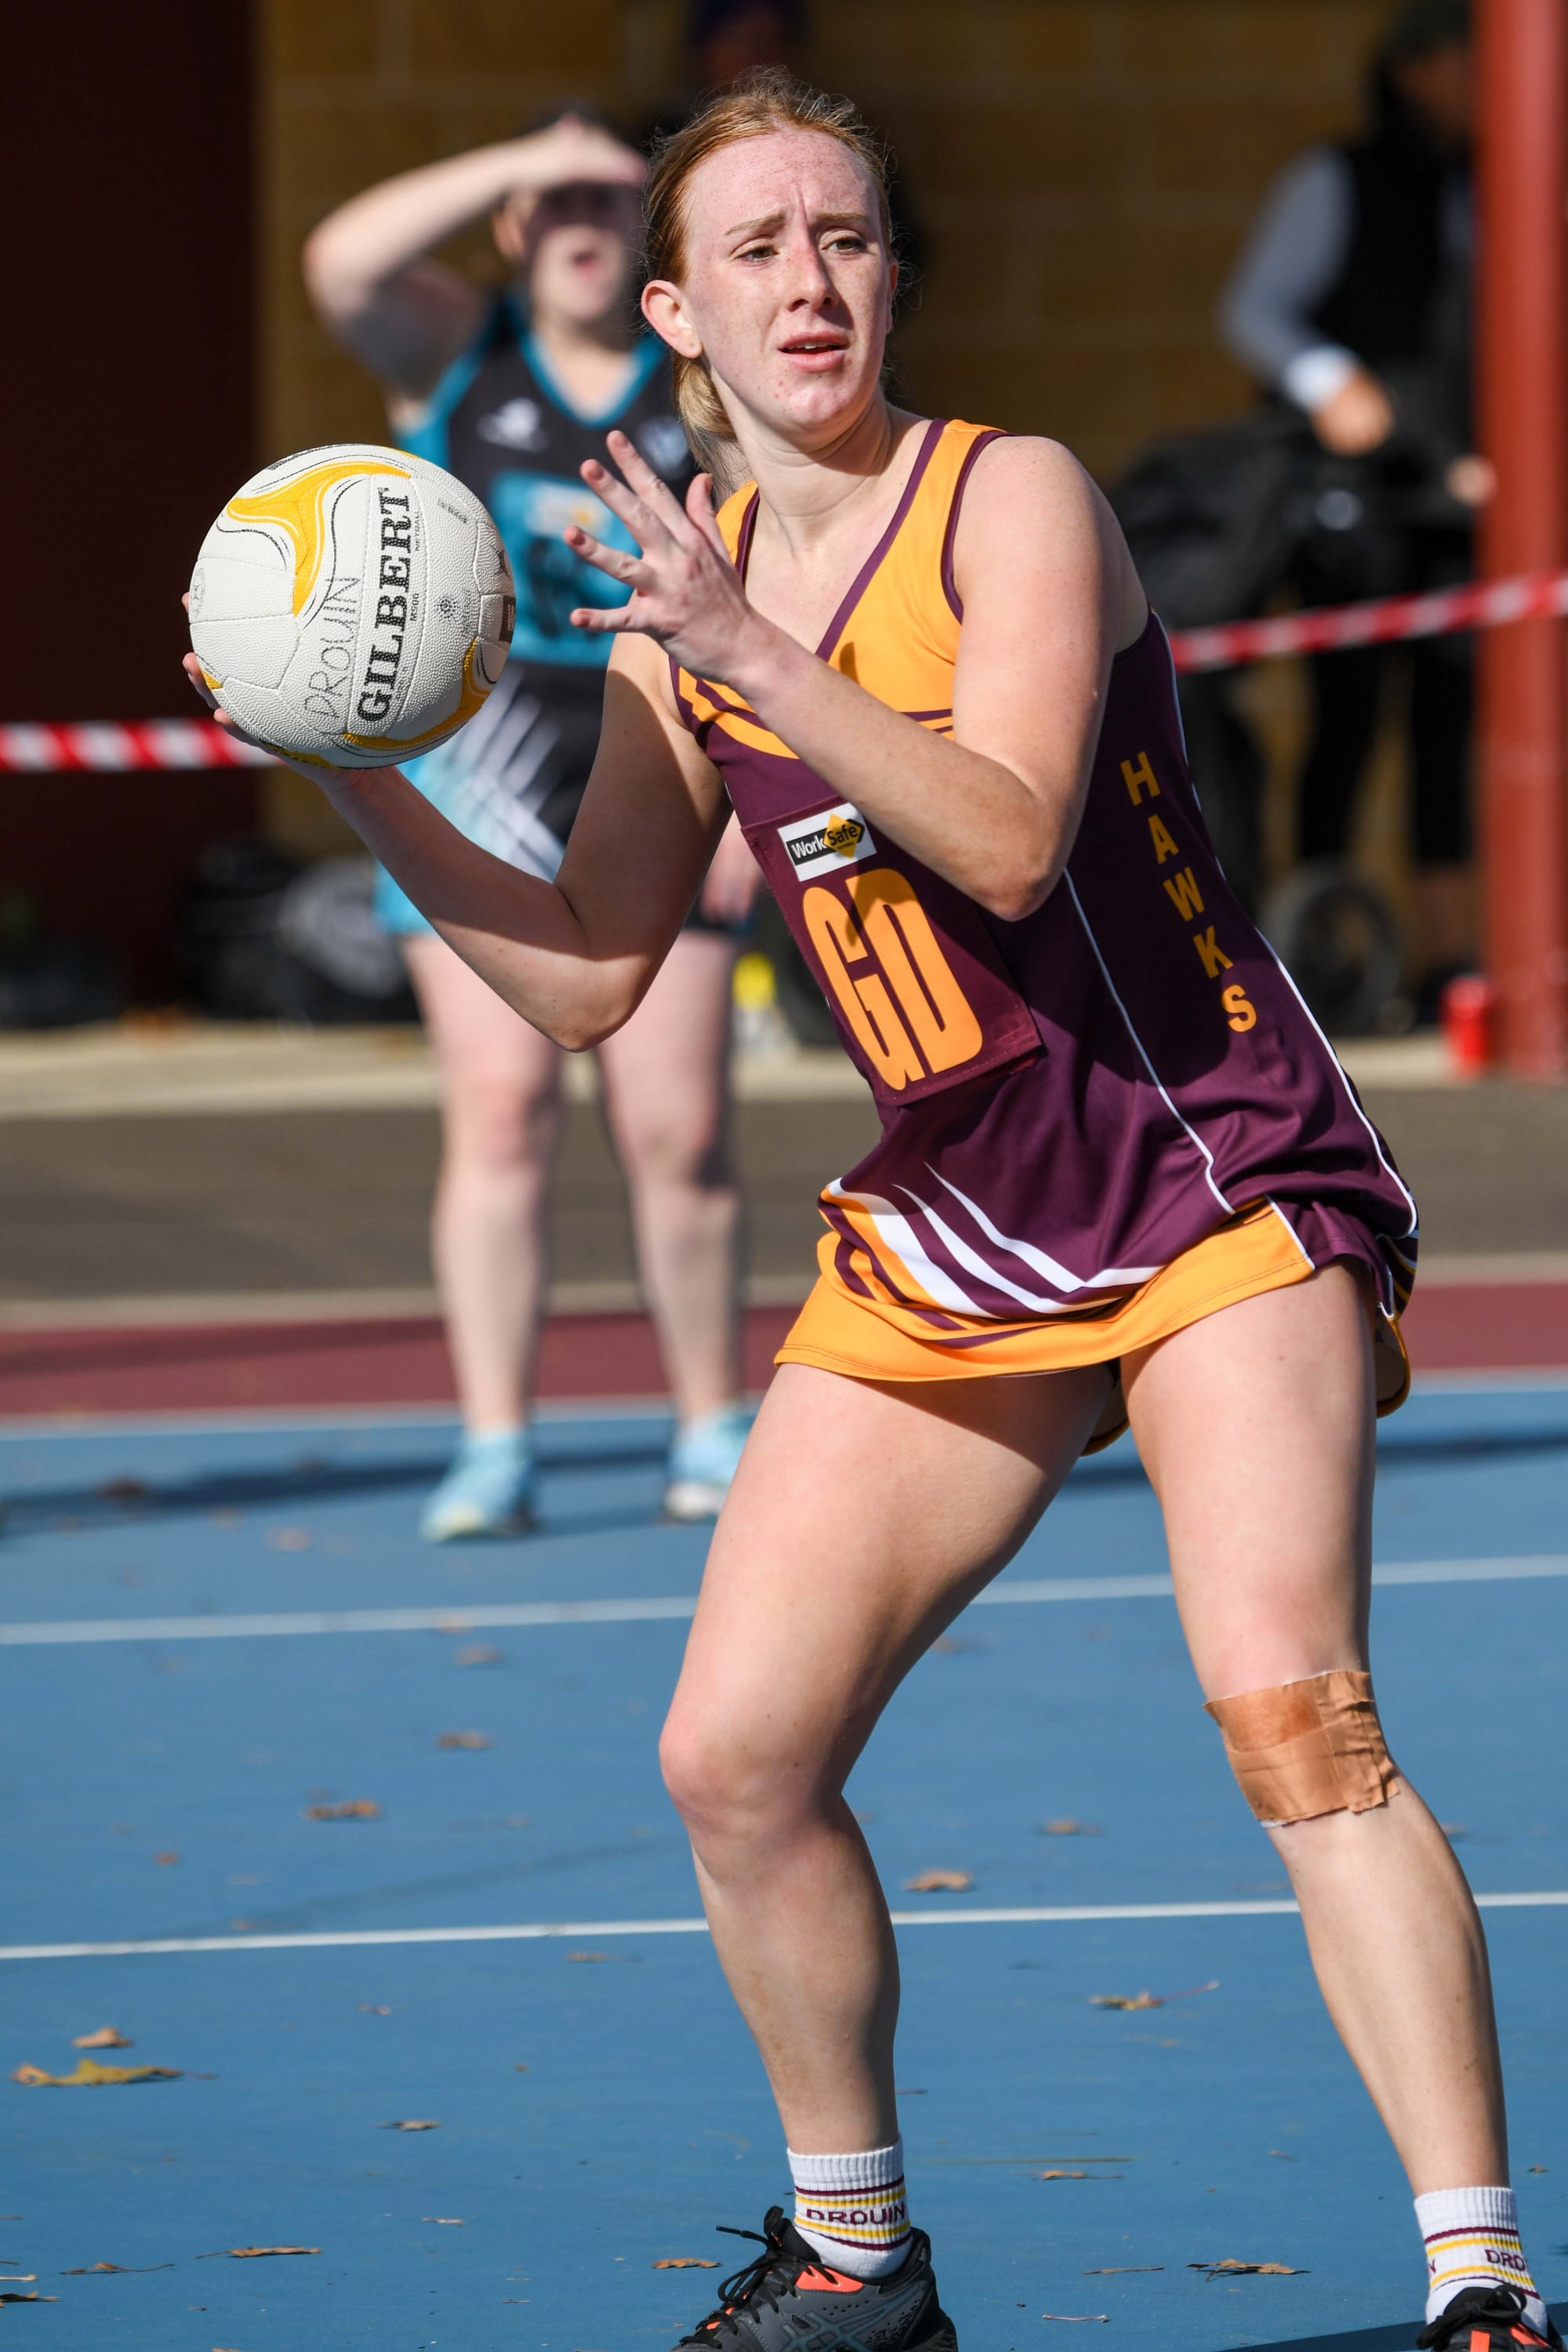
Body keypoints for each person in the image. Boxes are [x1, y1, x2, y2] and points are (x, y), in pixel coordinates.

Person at [194, 70, 1554, 2352]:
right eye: (759, 250)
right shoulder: (676, 617)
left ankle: (1481, 2279)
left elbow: (1012, 839)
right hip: (964, 1203)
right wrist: (363, 784)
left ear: (891, 275)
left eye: (845, 236)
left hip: (1200, 1152)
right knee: (733, 1758)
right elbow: (593, 980)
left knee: (1296, 1717)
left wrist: (757, 657)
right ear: (680, 315)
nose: (810, 279)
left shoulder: (1007, 500)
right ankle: (858, 2263)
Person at [303, 108, 760, 1537]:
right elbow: (339, 260)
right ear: (509, 222)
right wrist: (522, 158)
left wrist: (750, 800)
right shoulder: (459, 350)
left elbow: (772, 581)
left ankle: (710, 1426)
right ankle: (496, 1443)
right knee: (500, 1119)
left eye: (612, 202)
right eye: (548, 202)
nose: (578, 220)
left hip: (651, 750)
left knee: (677, 1128)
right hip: (481, 770)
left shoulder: (699, 379)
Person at [1218, 0, 1482, 1015]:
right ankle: (1321, 949)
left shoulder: (1489, 187)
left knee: (1447, 727)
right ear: (1417, 68)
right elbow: (1254, 308)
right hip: (1356, 502)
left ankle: (1449, 958)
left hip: (1454, 498)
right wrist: (1331, 380)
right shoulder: (1336, 178)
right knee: (1347, 721)